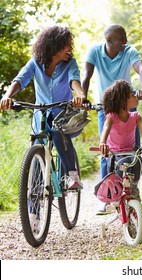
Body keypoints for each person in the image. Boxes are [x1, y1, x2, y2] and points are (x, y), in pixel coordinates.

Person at [0, 26, 86, 189]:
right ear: (55, 45)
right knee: (36, 151)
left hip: (63, 116)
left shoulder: (70, 64)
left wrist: (80, 95)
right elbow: (20, 79)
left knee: (57, 131)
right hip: (41, 115)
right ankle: (33, 206)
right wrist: (7, 96)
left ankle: (71, 175)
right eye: (67, 44)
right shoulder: (35, 62)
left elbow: (74, 80)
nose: (70, 48)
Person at [82, 24, 142, 213]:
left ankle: (131, 192)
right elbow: (86, 76)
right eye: (122, 38)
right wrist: (83, 96)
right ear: (109, 41)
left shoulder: (129, 51)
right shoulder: (95, 52)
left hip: (128, 107)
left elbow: (141, 69)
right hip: (106, 108)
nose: (126, 41)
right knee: (107, 153)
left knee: (134, 153)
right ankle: (108, 196)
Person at [98, 80, 142, 201]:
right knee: (117, 176)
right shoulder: (111, 116)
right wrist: (103, 143)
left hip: (130, 152)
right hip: (115, 154)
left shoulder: (135, 116)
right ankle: (114, 198)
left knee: (138, 163)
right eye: (131, 95)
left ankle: (134, 187)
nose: (135, 96)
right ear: (121, 101)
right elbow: (105, 128)